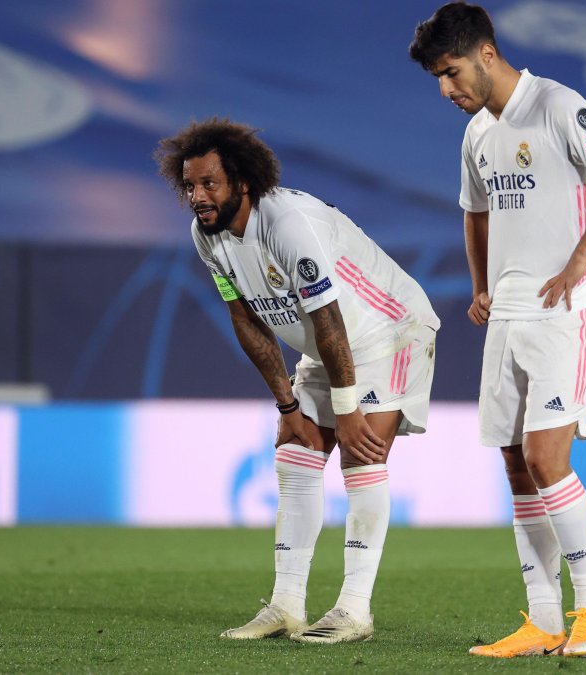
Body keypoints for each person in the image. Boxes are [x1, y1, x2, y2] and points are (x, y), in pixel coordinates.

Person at [409, 2, 586, 659]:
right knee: (517, 465)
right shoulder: (477, 134)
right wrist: (481, 284)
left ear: (486, 54)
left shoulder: (556, 105)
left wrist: (583, 253)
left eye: (452, 73)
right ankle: (543, 621)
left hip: (566, 312)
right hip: (509, 316)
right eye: (437, 78)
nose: (446, 90)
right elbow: (475, 211)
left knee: (546, 459)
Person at [154, 118, 439, 644]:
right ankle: (286, 606)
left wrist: (347, 410)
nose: (197, 197)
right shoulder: (207, 236)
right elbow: (245, 318)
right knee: (294, 453)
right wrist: (287, 406)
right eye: (189, 186)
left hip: (391, 332)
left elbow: (330, 318)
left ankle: (354, 610)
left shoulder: (287, 223)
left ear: (242, 181)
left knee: (362, 454)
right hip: (326, 345)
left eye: (209, 183)